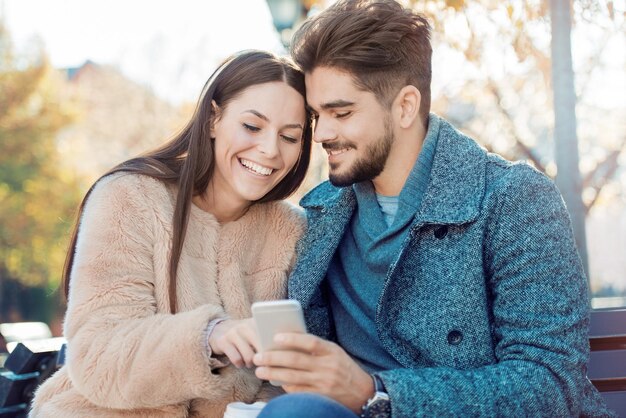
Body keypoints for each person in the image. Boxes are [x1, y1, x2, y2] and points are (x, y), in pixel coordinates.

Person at [252, 1, 615, 417]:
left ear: (405, 106)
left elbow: (550, 384)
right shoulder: (321, 213)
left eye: (342, 112)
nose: (324, 133)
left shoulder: (513, 199)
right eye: (318, 115)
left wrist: (376, 391)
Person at [30, 50, 313, 418]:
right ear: (213, 119)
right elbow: (97, 354)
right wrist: (210, 335)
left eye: (290, 136)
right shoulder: (129, 196)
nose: (270, 149)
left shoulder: (290, 231)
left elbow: (282, 378)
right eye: (252, 127)